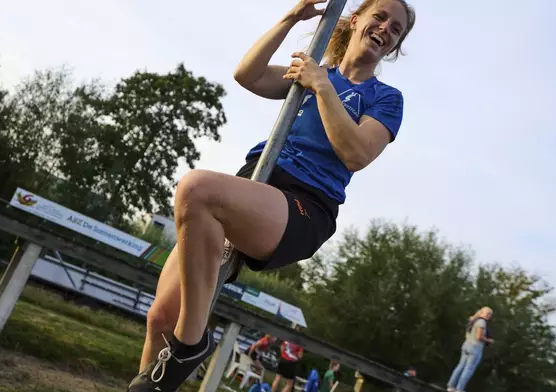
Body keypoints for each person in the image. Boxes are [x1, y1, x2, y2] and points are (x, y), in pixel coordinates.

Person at [126, 0, 416, 390]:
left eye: (396, 29)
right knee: (160, 319)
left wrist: (322, 86)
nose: (385, 28)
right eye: (379, 16)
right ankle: (180, 346)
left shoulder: (384, 97)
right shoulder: (313, 71)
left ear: (394, 47)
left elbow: (357, 152)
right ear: (356, 19)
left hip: (304, 202)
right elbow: (248, 74)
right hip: (253, 182)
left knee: (196, 189)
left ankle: (190, 345)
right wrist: (292, 18)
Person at [446, 307, 495, 392]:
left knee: (460, 366)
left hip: (466, 345)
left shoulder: (473, 320)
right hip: (475, 348)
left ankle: (451, 386)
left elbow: (467, 334)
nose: (488, 315)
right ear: (482, 313)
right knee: (468, 369)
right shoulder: (482, 322)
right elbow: (479, 336)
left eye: (490, 314)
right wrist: (489, 340)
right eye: (488, 313)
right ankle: (459, 389)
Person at [272, 328, 305, 392]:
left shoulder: (287, 338)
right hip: (291, 363)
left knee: (277, 378)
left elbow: (282, 348)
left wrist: (284, 355)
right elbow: (300, 356)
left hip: (283, 359)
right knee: (289, 384)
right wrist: (296, 355)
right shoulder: (299, 343)